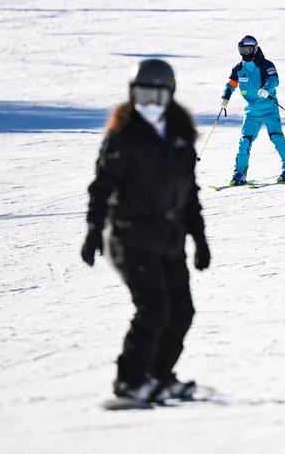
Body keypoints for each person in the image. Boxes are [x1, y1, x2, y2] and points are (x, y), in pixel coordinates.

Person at [83, 59, 211, 405]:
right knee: (154, 307)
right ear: (131, 95)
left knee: (181, 310)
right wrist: (94, 229)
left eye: (157, 96)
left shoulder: (180, 137)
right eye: (143, 96)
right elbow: (102, 185)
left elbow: (190, 193)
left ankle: (158, 375)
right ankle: (129, 380)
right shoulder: (123, 136)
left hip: (169, 237)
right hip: (131, 235)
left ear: (170, 95)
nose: (150, 105)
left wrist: (199, 239)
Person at [221, 36, 285, 185]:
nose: (245, 53)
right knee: (244, 142)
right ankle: (239, 173)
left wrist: (266, 89)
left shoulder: (265, 64)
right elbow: (231, 83)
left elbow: (274, 79)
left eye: (248, 50)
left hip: (269, 108)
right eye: (242, 50)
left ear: (255, 48)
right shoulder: (239, 69)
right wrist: (225, 97)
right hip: (252, 111)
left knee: (276, 137)